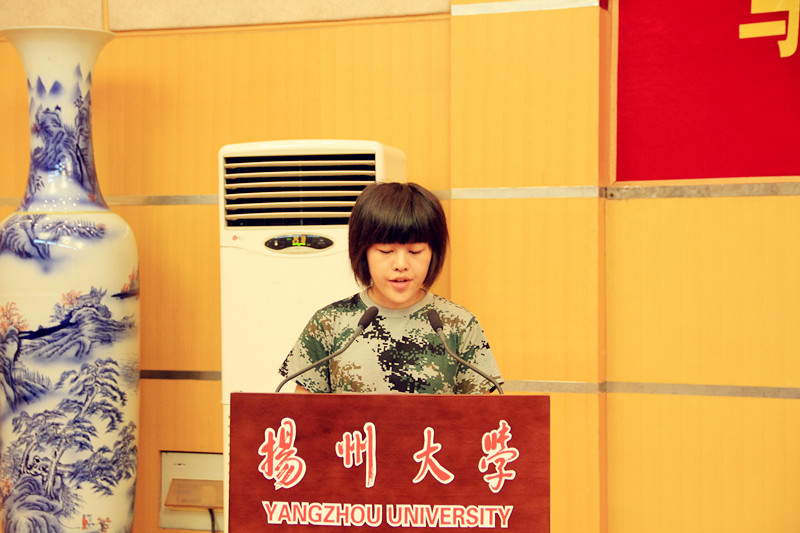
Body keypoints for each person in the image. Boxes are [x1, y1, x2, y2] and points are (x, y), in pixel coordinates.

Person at [278, 182, 503, 394]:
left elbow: (484, 416)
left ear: (433, 253)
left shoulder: (458, 325)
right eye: (386, 251)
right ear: (362, 252)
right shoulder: (328, 323)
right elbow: (300, 415)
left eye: (415, 251)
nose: (401, 265)